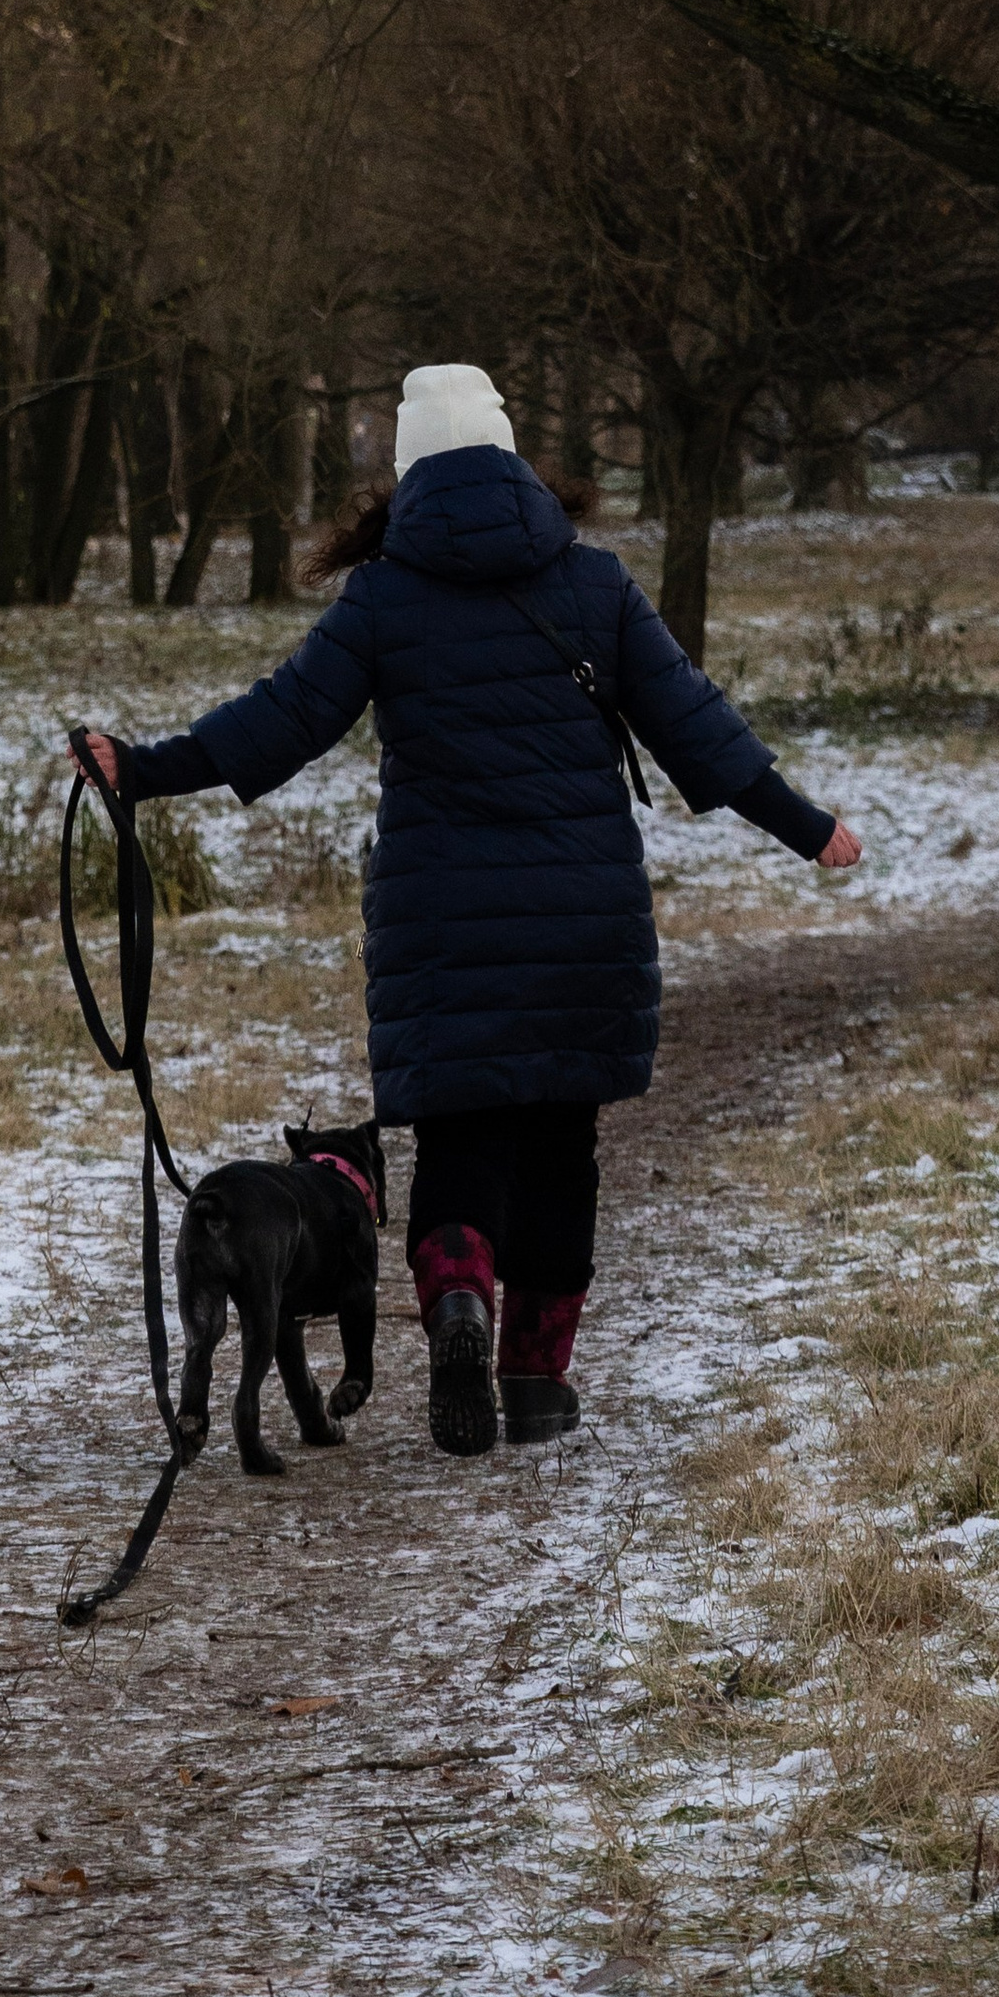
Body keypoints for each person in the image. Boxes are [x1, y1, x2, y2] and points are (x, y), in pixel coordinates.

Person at [81, 362, 860, 1456]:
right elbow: (699, 730)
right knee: (560, 1150)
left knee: (462, 1141)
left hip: (441, 925)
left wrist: (145, 772)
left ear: (409, 475)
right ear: (511, 461)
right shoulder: (594, 585)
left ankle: (456, 1303)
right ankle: (535, 1380)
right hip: (583, 919)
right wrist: (807, 825)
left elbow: (282, 721)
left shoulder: (385, 597)